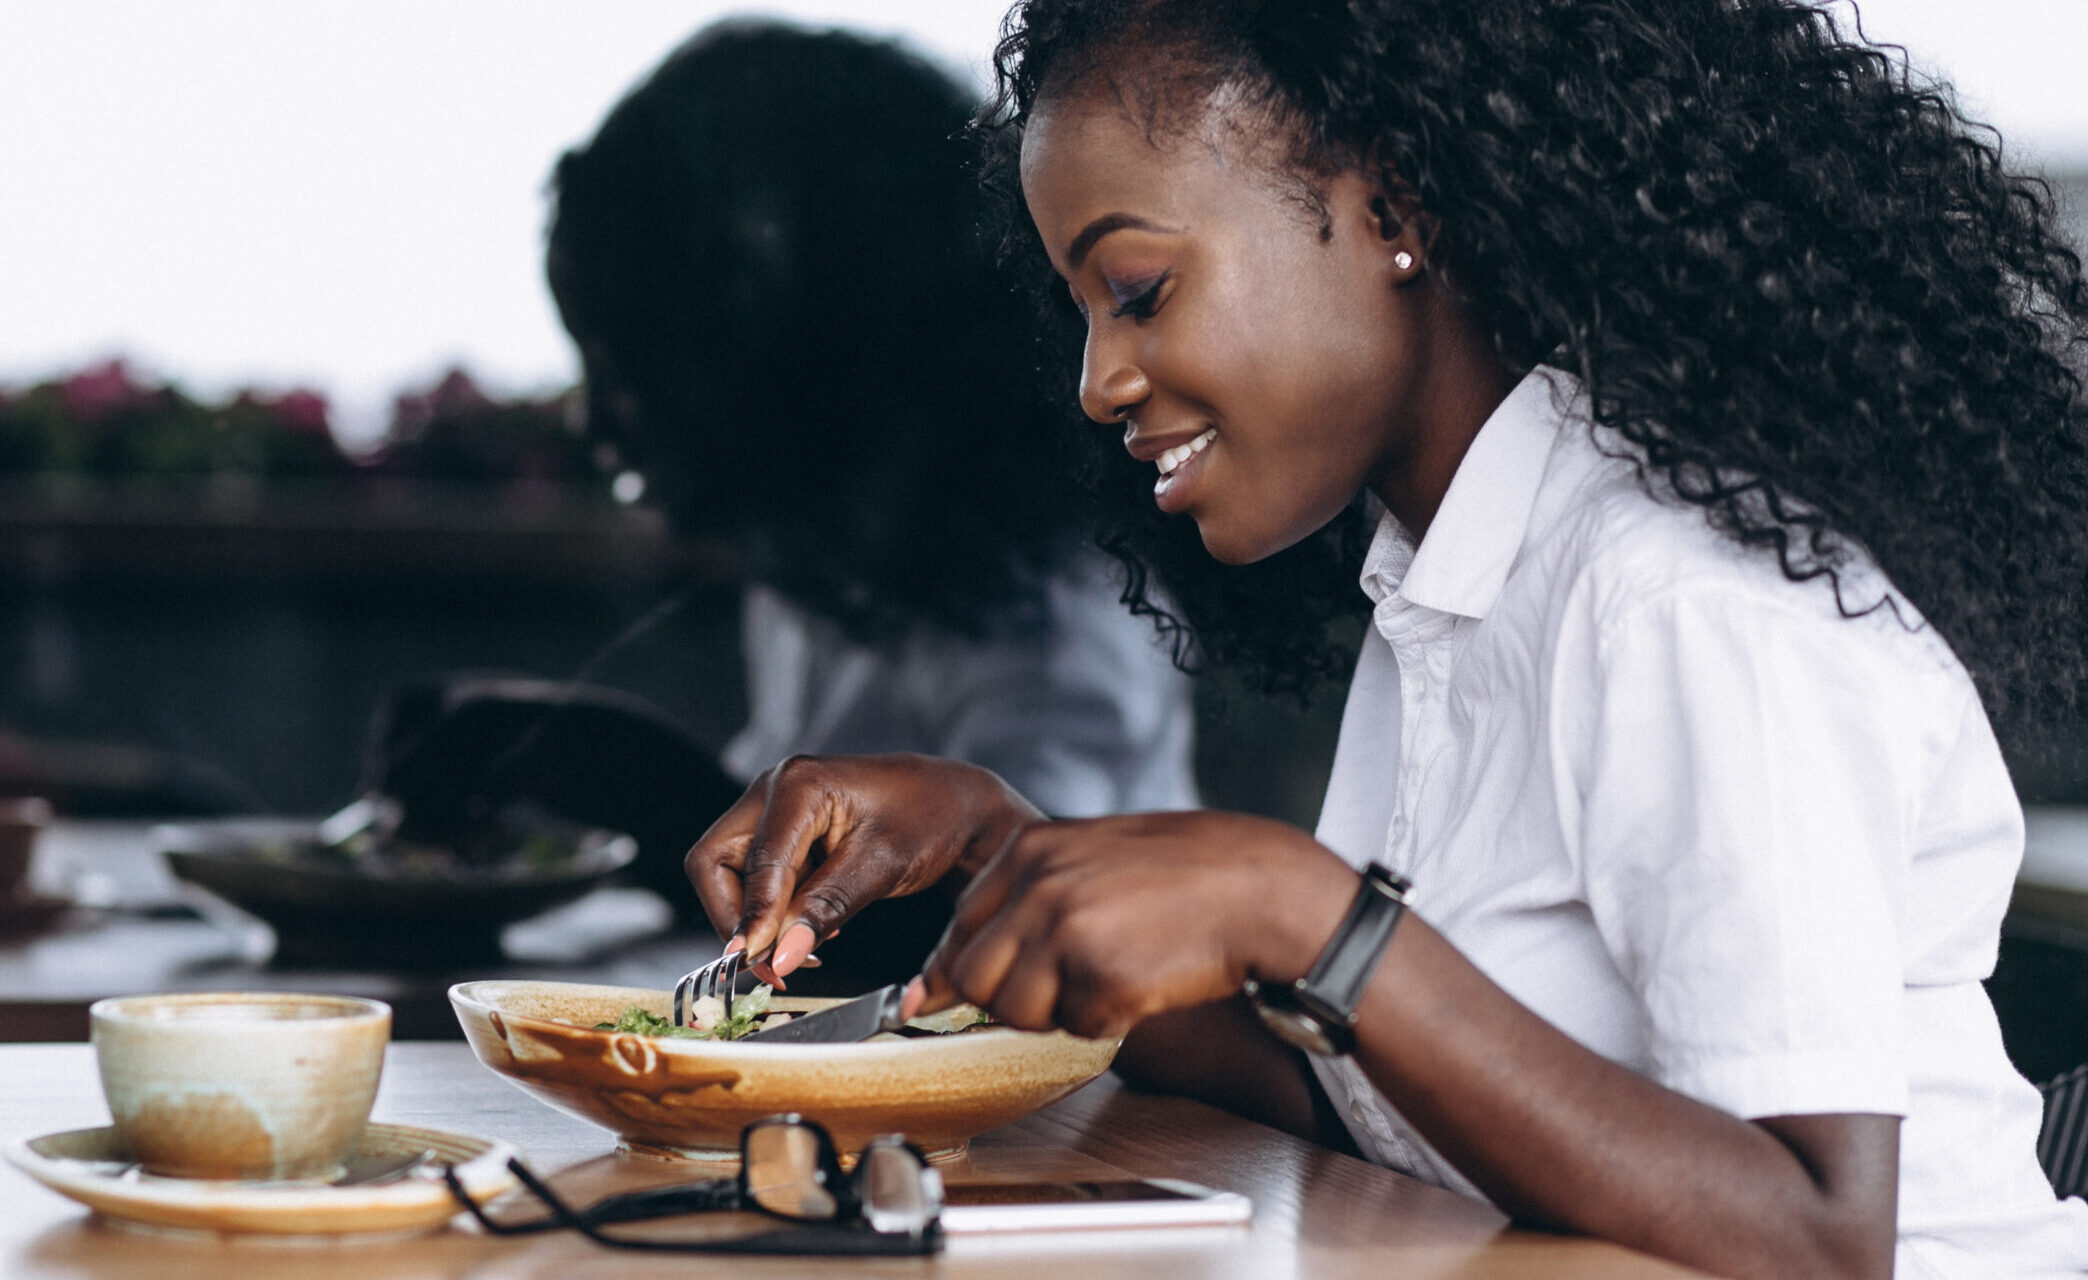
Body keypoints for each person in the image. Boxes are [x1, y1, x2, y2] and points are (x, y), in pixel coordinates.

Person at [683, 2, 2088, 1277]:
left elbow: (1819, 1237)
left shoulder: (1682, 603)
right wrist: (1003, 860)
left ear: (1396, 208)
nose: (1099, 381)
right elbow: (1387, 1109)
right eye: (1079, 315)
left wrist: (1305, 915)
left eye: (1140, 292)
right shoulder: (1449, 583)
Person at [539, 21, 1200, 975]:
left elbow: (1046, 936)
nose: (600, 420)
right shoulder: (820, 572)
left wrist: (654, 789)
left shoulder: (1059, 615)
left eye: (631, 364)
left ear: (780, 357)